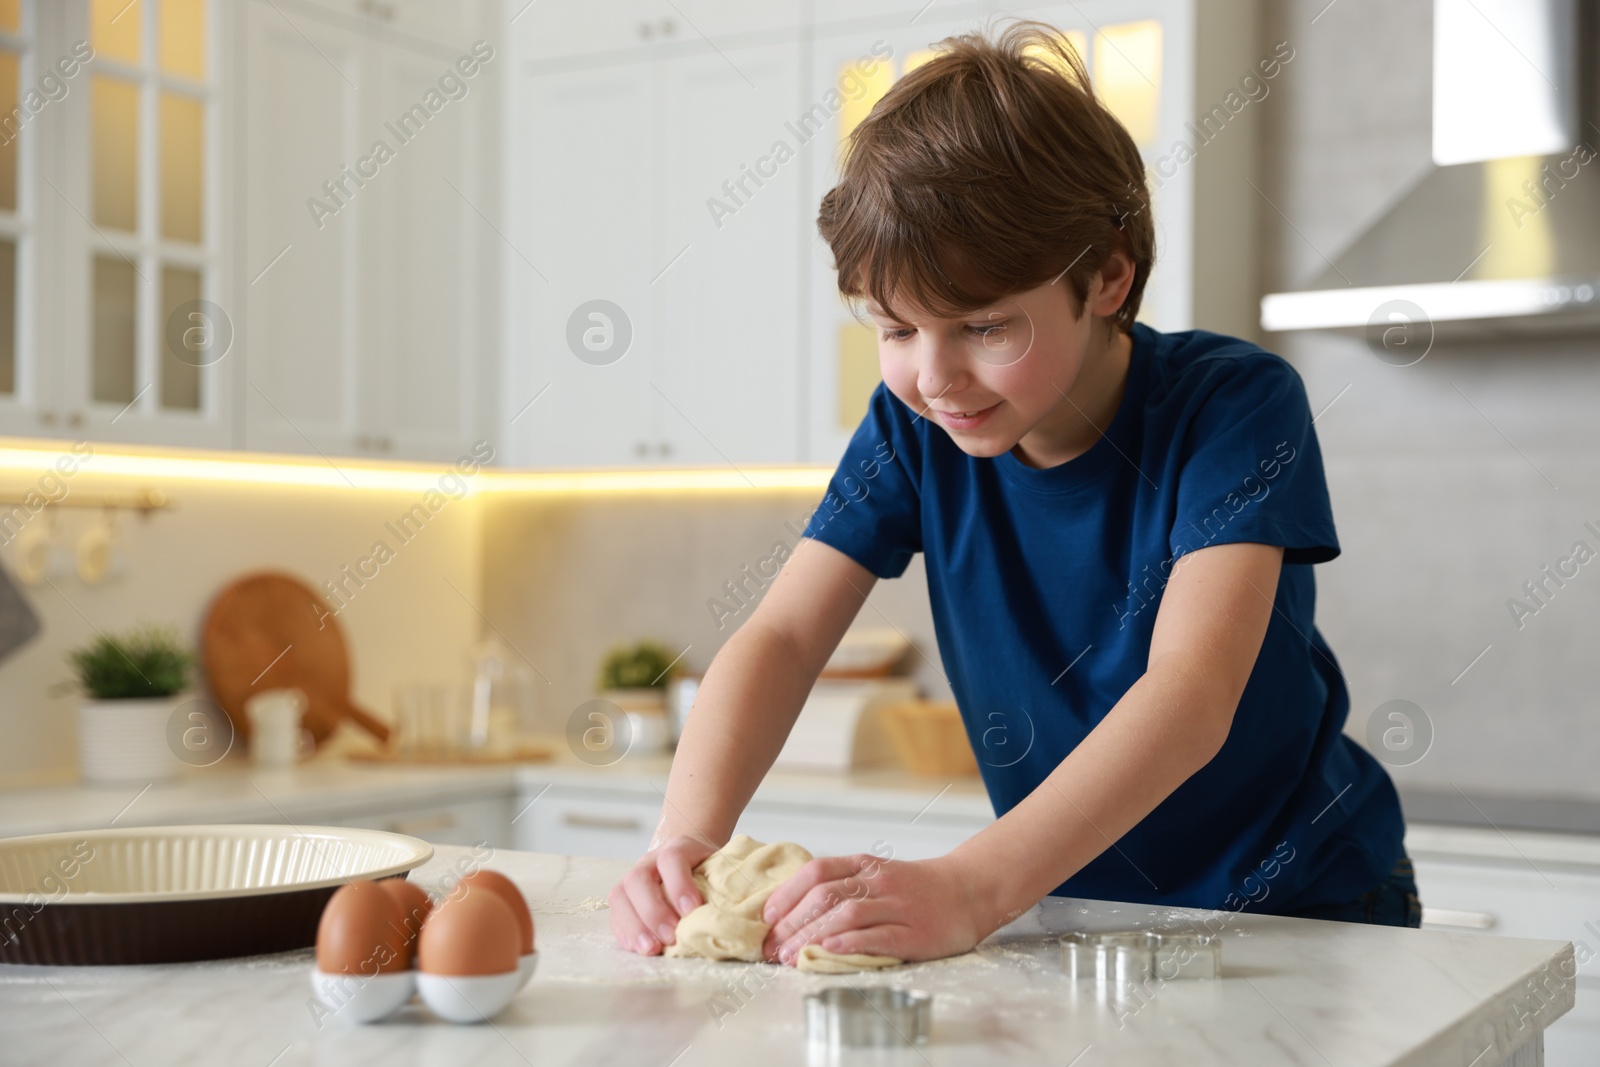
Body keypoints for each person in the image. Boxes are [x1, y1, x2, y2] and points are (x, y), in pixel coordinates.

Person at [608, 19, 1419, 966]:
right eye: (895, 328)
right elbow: (784, 638)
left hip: (1297, 910)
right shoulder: (911, 430)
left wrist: (969, 885)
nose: (935, 374)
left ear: (1108, 274)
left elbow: (1192, 695)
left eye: (985, 326)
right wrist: (684, 838)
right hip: (1072, 915)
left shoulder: (1234, 408)